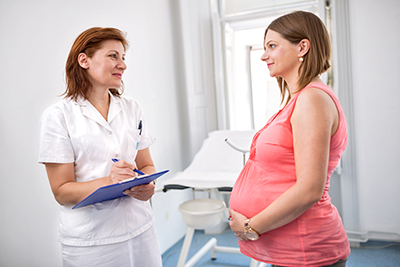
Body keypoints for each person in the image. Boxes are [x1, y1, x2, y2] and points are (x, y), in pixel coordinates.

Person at [228, 11, 350, 267]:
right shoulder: (300, 100)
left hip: (306, 249)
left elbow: (309, 190)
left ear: (302, 47)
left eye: (272, 46)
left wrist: (250, 227)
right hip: (290, 247)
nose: (263, 55)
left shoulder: (312, 100)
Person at [38, 27, 162, 267]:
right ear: (84, 60)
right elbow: (61, 191)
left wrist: (149, 184)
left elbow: (146, 165)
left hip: (141, 229)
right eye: (113, 56)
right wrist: (109, 181)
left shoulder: (131, 108)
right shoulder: (58, 116)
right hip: (93, 242)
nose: (123, 64)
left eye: (123, 57)